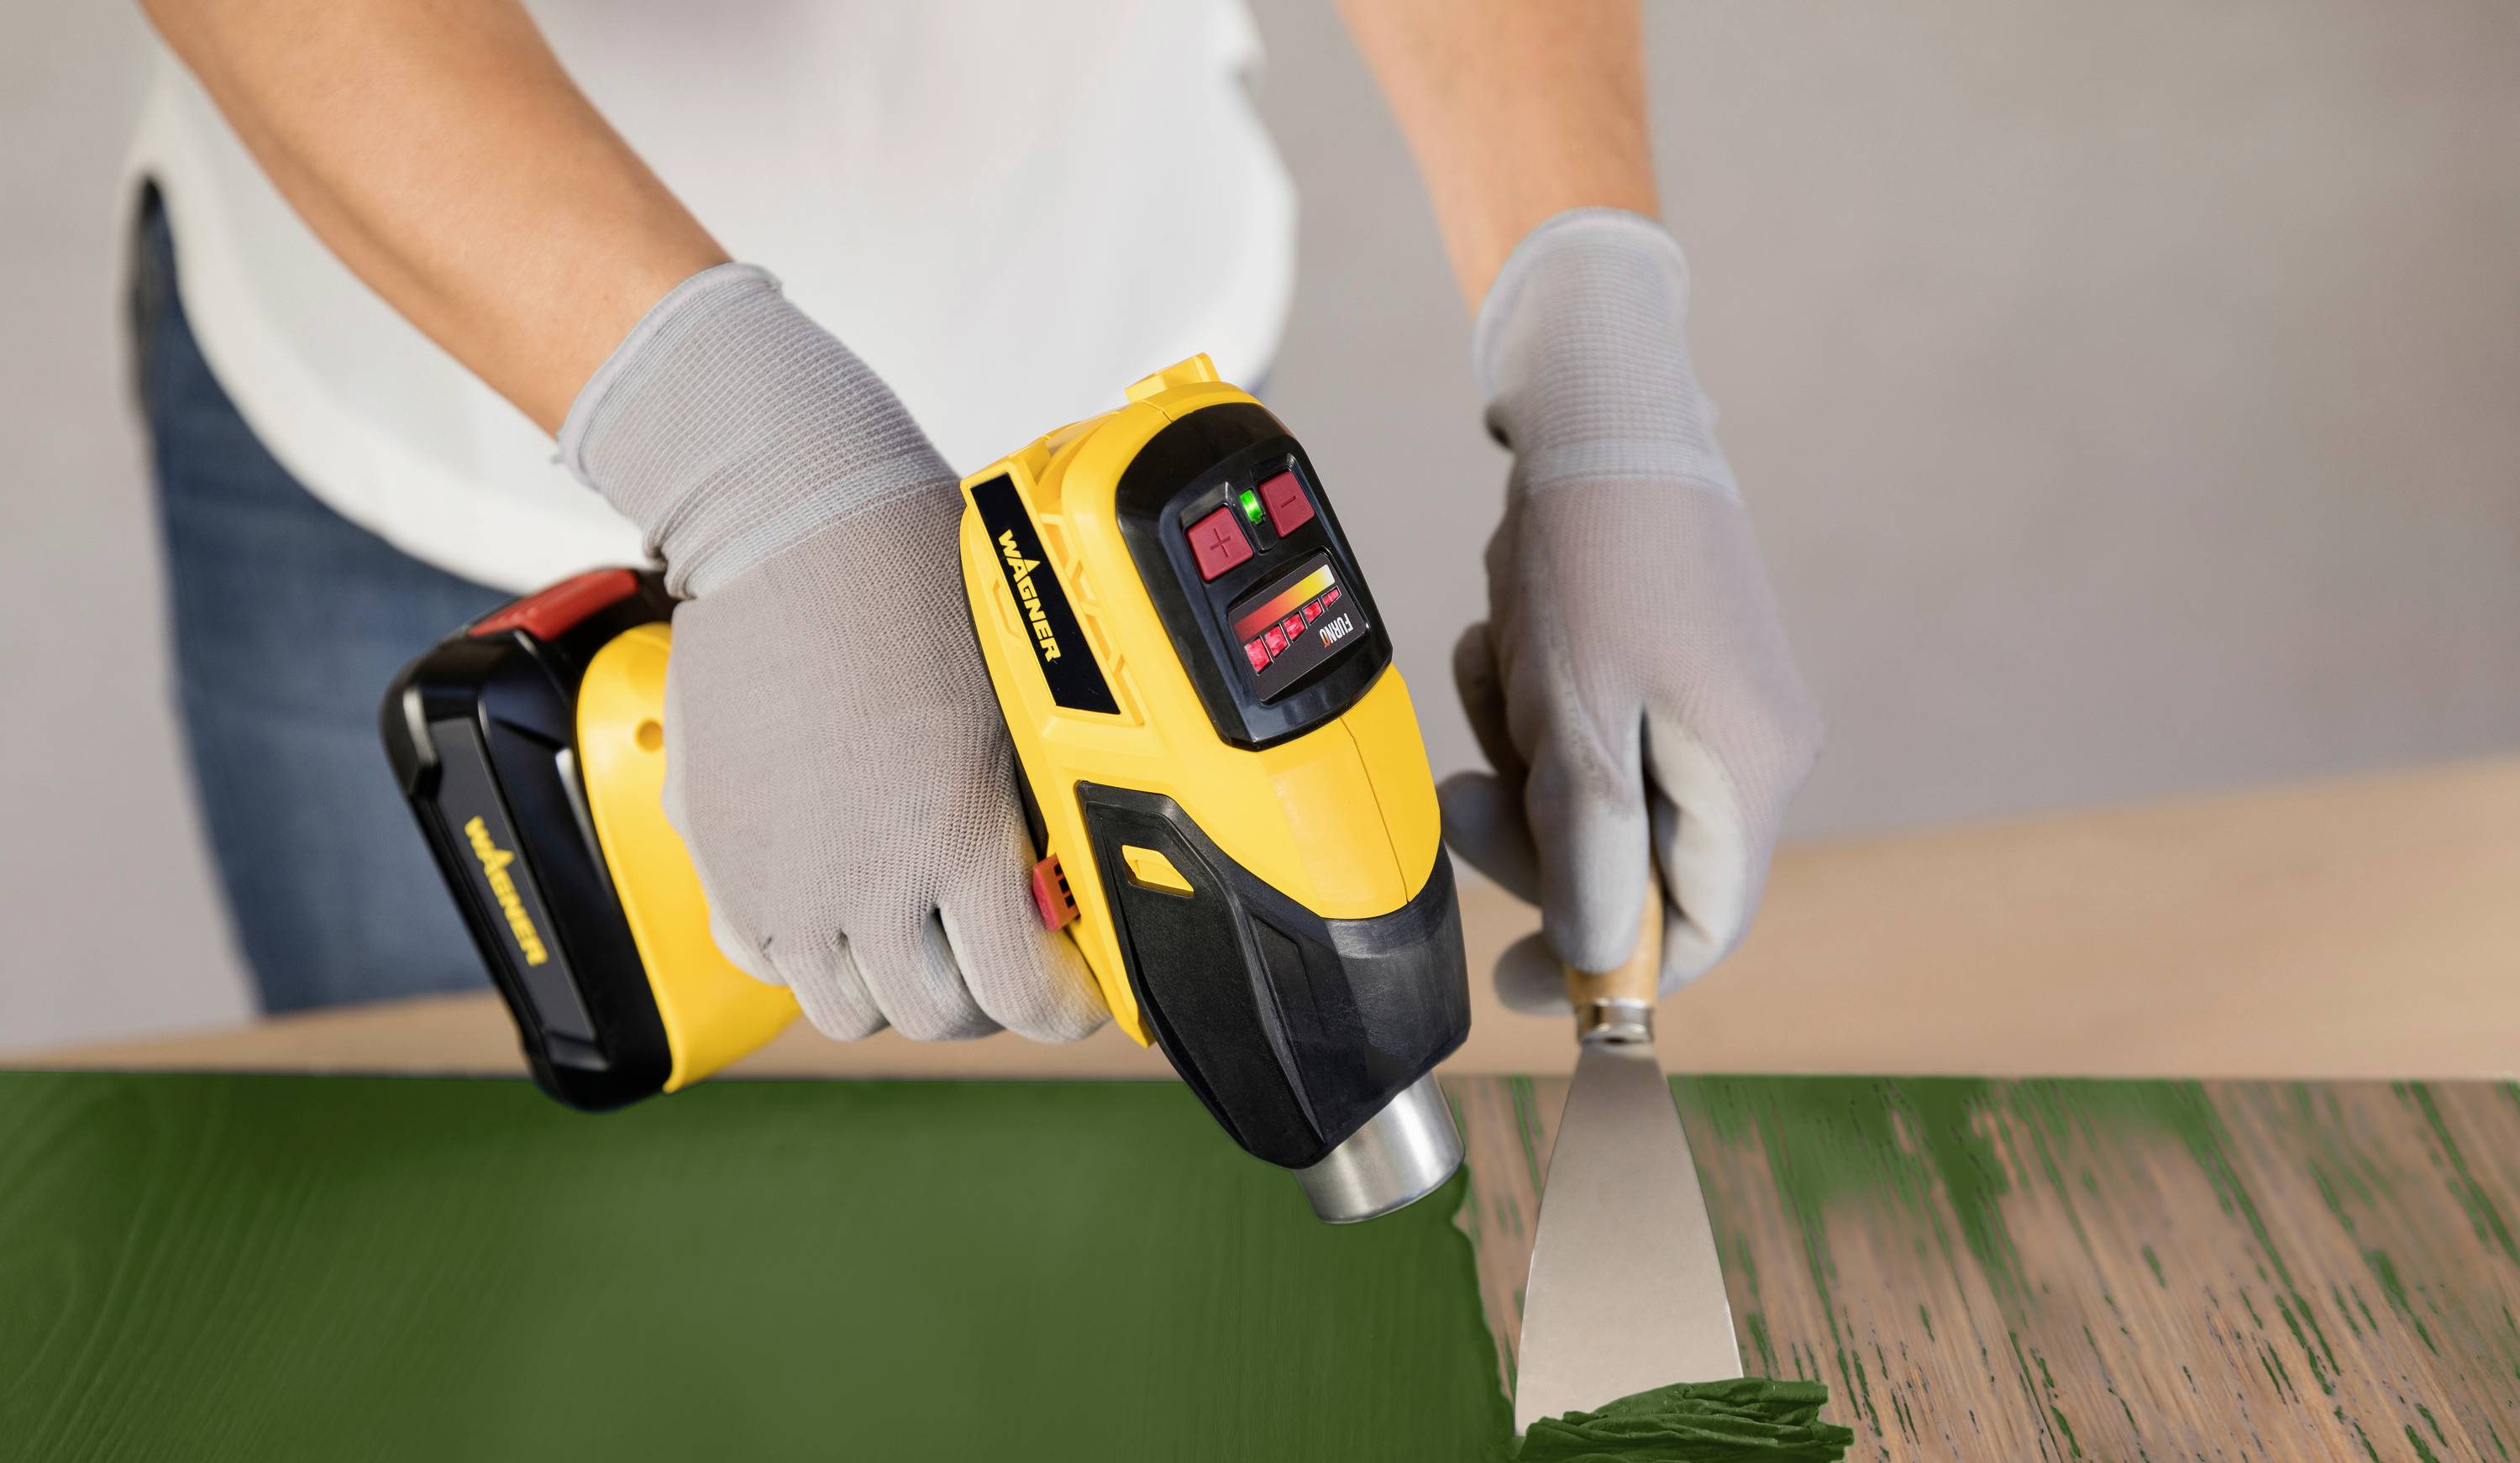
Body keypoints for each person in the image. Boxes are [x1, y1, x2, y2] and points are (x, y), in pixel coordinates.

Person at [126, 0, 1823, 1042]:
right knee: (474, 1269)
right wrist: (737, 447)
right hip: (453, 407)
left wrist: (1597, 334)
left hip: (1084, 345)